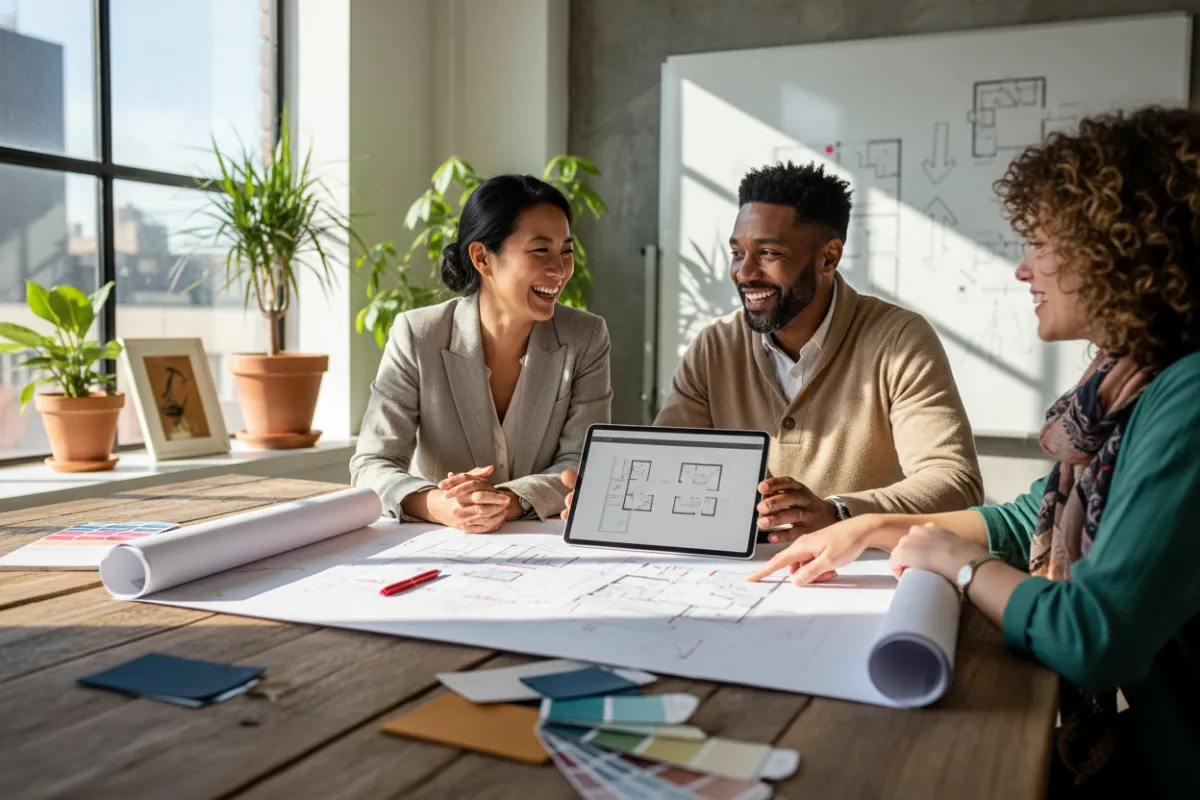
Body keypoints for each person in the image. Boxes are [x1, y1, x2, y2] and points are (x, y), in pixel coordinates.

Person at [748, 106, 1200, 797]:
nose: (1022, 270)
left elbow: (1094, 637)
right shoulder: (1131, 382)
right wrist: (867, 528)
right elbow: (1028, 520)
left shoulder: (1187, 398)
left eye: (1043, 244)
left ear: (1124, 249)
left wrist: (962, 567)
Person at [563, 161, 984, 537]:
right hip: (738, 578)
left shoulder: (899, 340)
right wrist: (612, 497)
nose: (744, 273)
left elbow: (954, 483)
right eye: (736, 252)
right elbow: (669, 467)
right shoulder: (716, 345)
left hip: (859, 577)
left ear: (828, 258)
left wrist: (837, 513)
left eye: (768, 253)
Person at [351, 173, 612, 533]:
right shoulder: (418, 335)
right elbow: (373, 462)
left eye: (566, 251)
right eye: (540, 250)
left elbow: (583, 461)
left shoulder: (586, 336)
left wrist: (507, 500)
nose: (559, 270)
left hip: (543, 544)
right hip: (436, 544)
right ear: (482, 258)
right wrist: (436, 504)